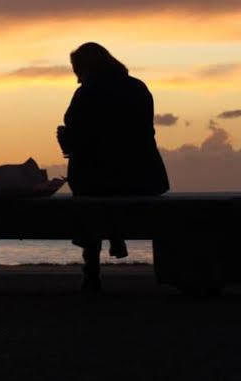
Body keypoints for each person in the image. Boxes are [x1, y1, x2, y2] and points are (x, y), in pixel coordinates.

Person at [57, 42, 169, 293]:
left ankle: (92, 273)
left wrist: (64, 137)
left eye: (77, 71)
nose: (76, 79)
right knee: (107, 180)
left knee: (88, 189)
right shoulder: (139, 87)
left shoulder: (87, 93)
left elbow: (75, 138)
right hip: (144, 179)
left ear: (85, 69)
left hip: (97, 182)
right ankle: (115, 234)